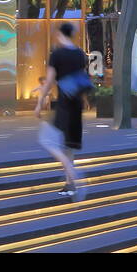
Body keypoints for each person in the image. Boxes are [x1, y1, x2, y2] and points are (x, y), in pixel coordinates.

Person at [33, 22, 89, 201]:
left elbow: (49, 81)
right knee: (69, 146)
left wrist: (40, 101)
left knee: (47, 139)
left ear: (59, 34)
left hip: (64, 104)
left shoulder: (57, 54)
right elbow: (82, 78)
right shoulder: (80, 54)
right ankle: (69, 185)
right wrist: (85, 100)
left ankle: (72, 173)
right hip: (76, 104)